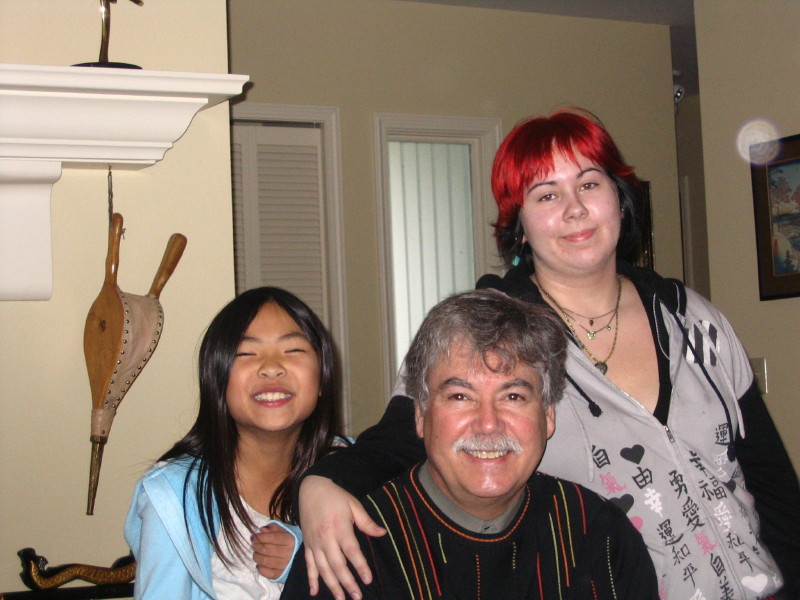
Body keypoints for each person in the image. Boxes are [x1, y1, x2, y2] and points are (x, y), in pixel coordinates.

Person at [257, 109, 800, 600]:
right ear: (519, 224)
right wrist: (322, 483)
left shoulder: (692, 317)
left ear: (619, 197)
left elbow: (770, 481)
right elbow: (404, 437)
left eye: (589, 183)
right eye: (546, 195)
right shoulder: (487, 332)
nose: (575, 209)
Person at [281, 289, 658, 599]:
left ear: (547, 416)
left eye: (513, 396)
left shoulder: (601, 538)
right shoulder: (350, 552)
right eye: (460, 396)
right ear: (420, 415)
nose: (488, 423)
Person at [125, 286, 347, 599]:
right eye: (246, 353)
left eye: (293, 350)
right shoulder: (174, 497)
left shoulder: (353, 467)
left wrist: (303, 556)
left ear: (322, 376)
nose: (271, 367)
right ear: (217, 379)